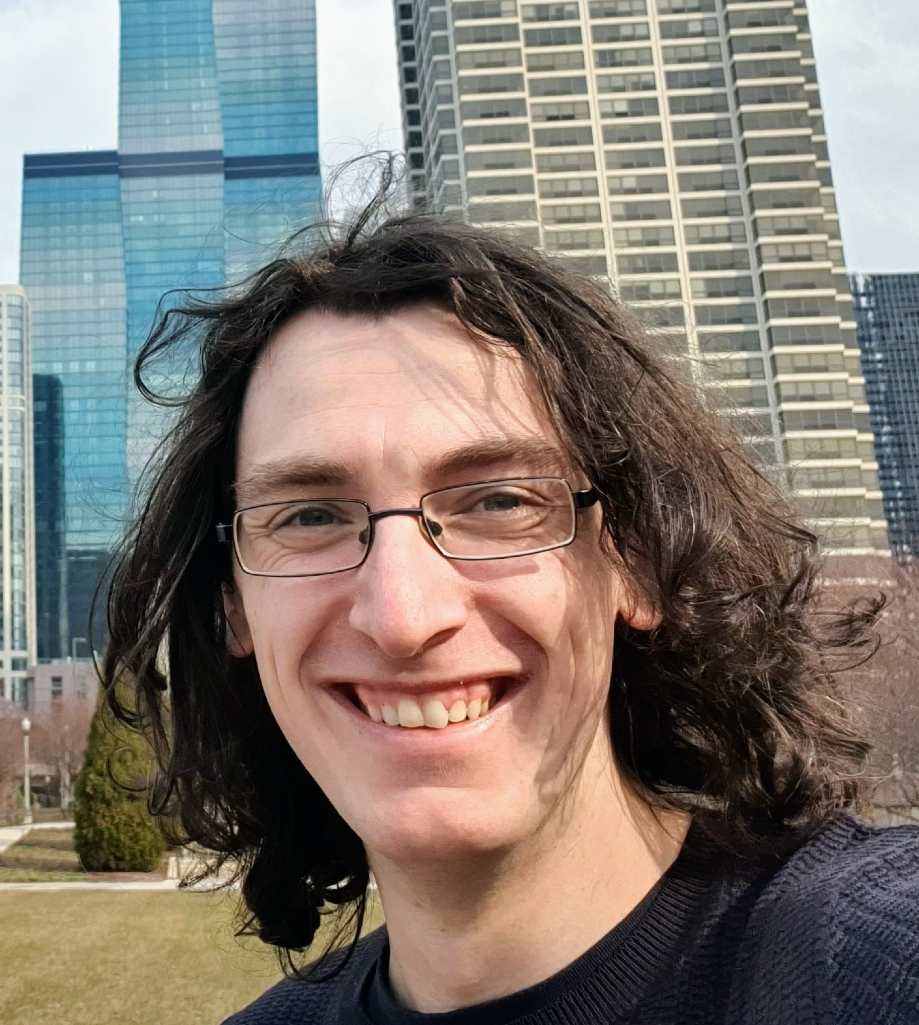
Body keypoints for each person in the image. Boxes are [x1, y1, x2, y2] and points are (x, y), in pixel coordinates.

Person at [103, 191, 919, 1025]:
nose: (401, 615)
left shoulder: (875, 968)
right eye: (310, 516)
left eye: (498, 501)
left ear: (638, 561)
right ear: (234, 606)